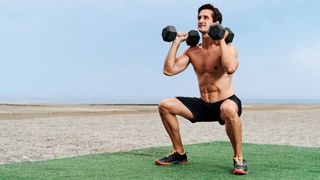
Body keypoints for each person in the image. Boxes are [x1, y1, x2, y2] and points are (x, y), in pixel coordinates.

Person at [154, 3, 248, 175]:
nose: (200, 20)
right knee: (165, 105)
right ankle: (179, 153)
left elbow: (230, 68)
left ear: (216, 23)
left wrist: (221, 40)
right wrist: (176, 43)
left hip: (225, 103)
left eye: (205, 17)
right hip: (203, 105)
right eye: (199, 17)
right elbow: (169, 70)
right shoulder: (193, 51)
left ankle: (239, 158)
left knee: (228, 108)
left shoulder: (228, 48)